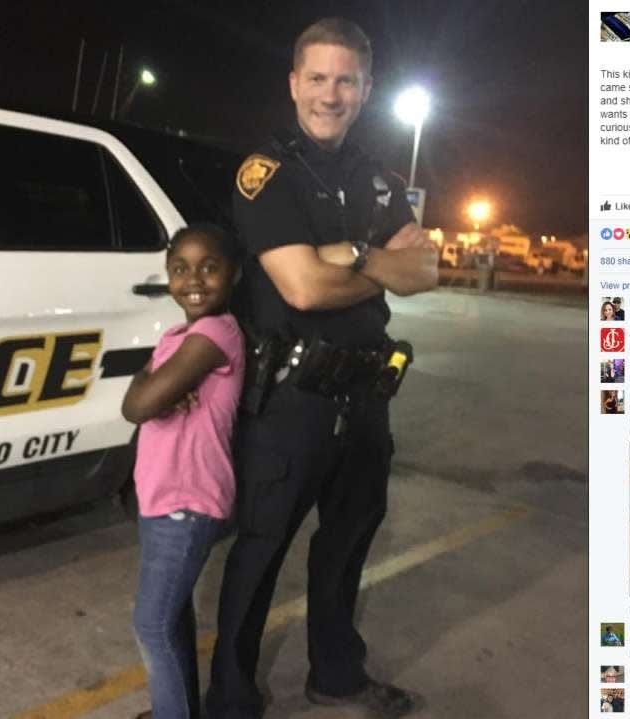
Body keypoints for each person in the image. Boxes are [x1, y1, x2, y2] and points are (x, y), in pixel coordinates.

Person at [206, 18, 438, 719]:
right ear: (293, 83)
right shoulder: (265, 174)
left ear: (366, 89)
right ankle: (231, 699)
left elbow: (424, 269)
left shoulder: (381, 178)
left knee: (346, 548)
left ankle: (336, 674)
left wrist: (344, 257)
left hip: (366, 400)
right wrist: (376, 261)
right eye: (317, 78)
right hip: (291, 403)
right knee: (260, 552)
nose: (329, 94)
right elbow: (301, 287)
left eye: (345, 80)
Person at [122, 224, 245, 719]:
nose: (193, 279)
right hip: (161, 497)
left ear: (233, 274)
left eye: (209, 267)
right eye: (179, 269)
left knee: (151, 622)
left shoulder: (216, 332)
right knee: (172, 616)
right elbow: (145, 391)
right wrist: (154, 385)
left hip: (187, 500)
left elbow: (136, 406)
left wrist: (153, 388)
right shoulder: (178, 336)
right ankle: (176, 708)